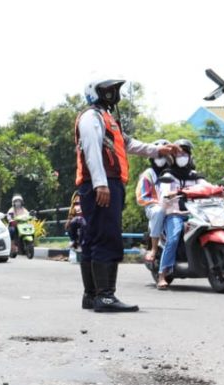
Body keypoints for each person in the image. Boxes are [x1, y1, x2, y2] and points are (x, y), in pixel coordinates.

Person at [74, 79, 179, 312]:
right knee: (107, 238)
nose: (113, 93)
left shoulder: (107, 119)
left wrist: (157, 149)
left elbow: (128, 144)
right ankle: (105, 296)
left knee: (93, 239)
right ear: (95, 92)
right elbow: (91, 149)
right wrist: (101, 184)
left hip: (103, 182)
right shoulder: (92, 116)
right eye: (108, 89)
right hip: (102, 183)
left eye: (114, 89)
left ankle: (91, 296)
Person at [154, 139, 211, 289]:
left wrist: (220, 189)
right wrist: (172, 193)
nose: (181, 156)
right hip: (175, 213)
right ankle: (162, 274)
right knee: (172, 239)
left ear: (190, 156)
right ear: (172, 157)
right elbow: (164, 192)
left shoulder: (194, 174)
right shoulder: (168, 174)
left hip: (195, 213)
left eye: (184, 153)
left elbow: (206, 186)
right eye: (178, 153)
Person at [137, 139, 171, 264]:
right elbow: (142, 196)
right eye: (158, 155)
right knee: (159, 211)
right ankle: (154, 249)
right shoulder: (148, 174)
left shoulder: (173, 172)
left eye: (163, 155)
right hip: (154, 207)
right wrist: (159, 202)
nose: (161, 158)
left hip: (174, 206)